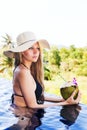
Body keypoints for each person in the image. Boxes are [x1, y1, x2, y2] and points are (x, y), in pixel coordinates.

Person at [3, 31, 81, 128]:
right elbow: (32, 105)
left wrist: (60, 100)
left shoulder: (27, 70)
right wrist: (64, 103)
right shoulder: (22, 71)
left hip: (30, 116)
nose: (36, 52)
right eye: (31, 48)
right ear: (22, 51)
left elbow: (36, 96)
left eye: (38, 48)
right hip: (24, 120)